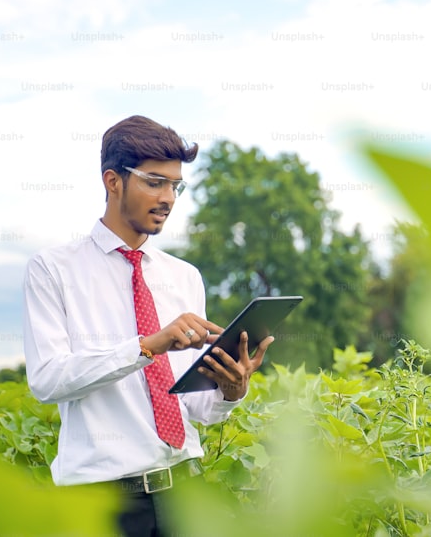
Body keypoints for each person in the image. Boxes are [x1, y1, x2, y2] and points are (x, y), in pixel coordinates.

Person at [22, 115, 272, 536]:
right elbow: (47, 380)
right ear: (113, 181)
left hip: (183, 492)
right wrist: (147, 346)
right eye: (154, 181)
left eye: (175, 185)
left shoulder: (184, 276)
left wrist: (230, 390)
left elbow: (192, 407)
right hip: (100, 501)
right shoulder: (53, 270)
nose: (168, 197)